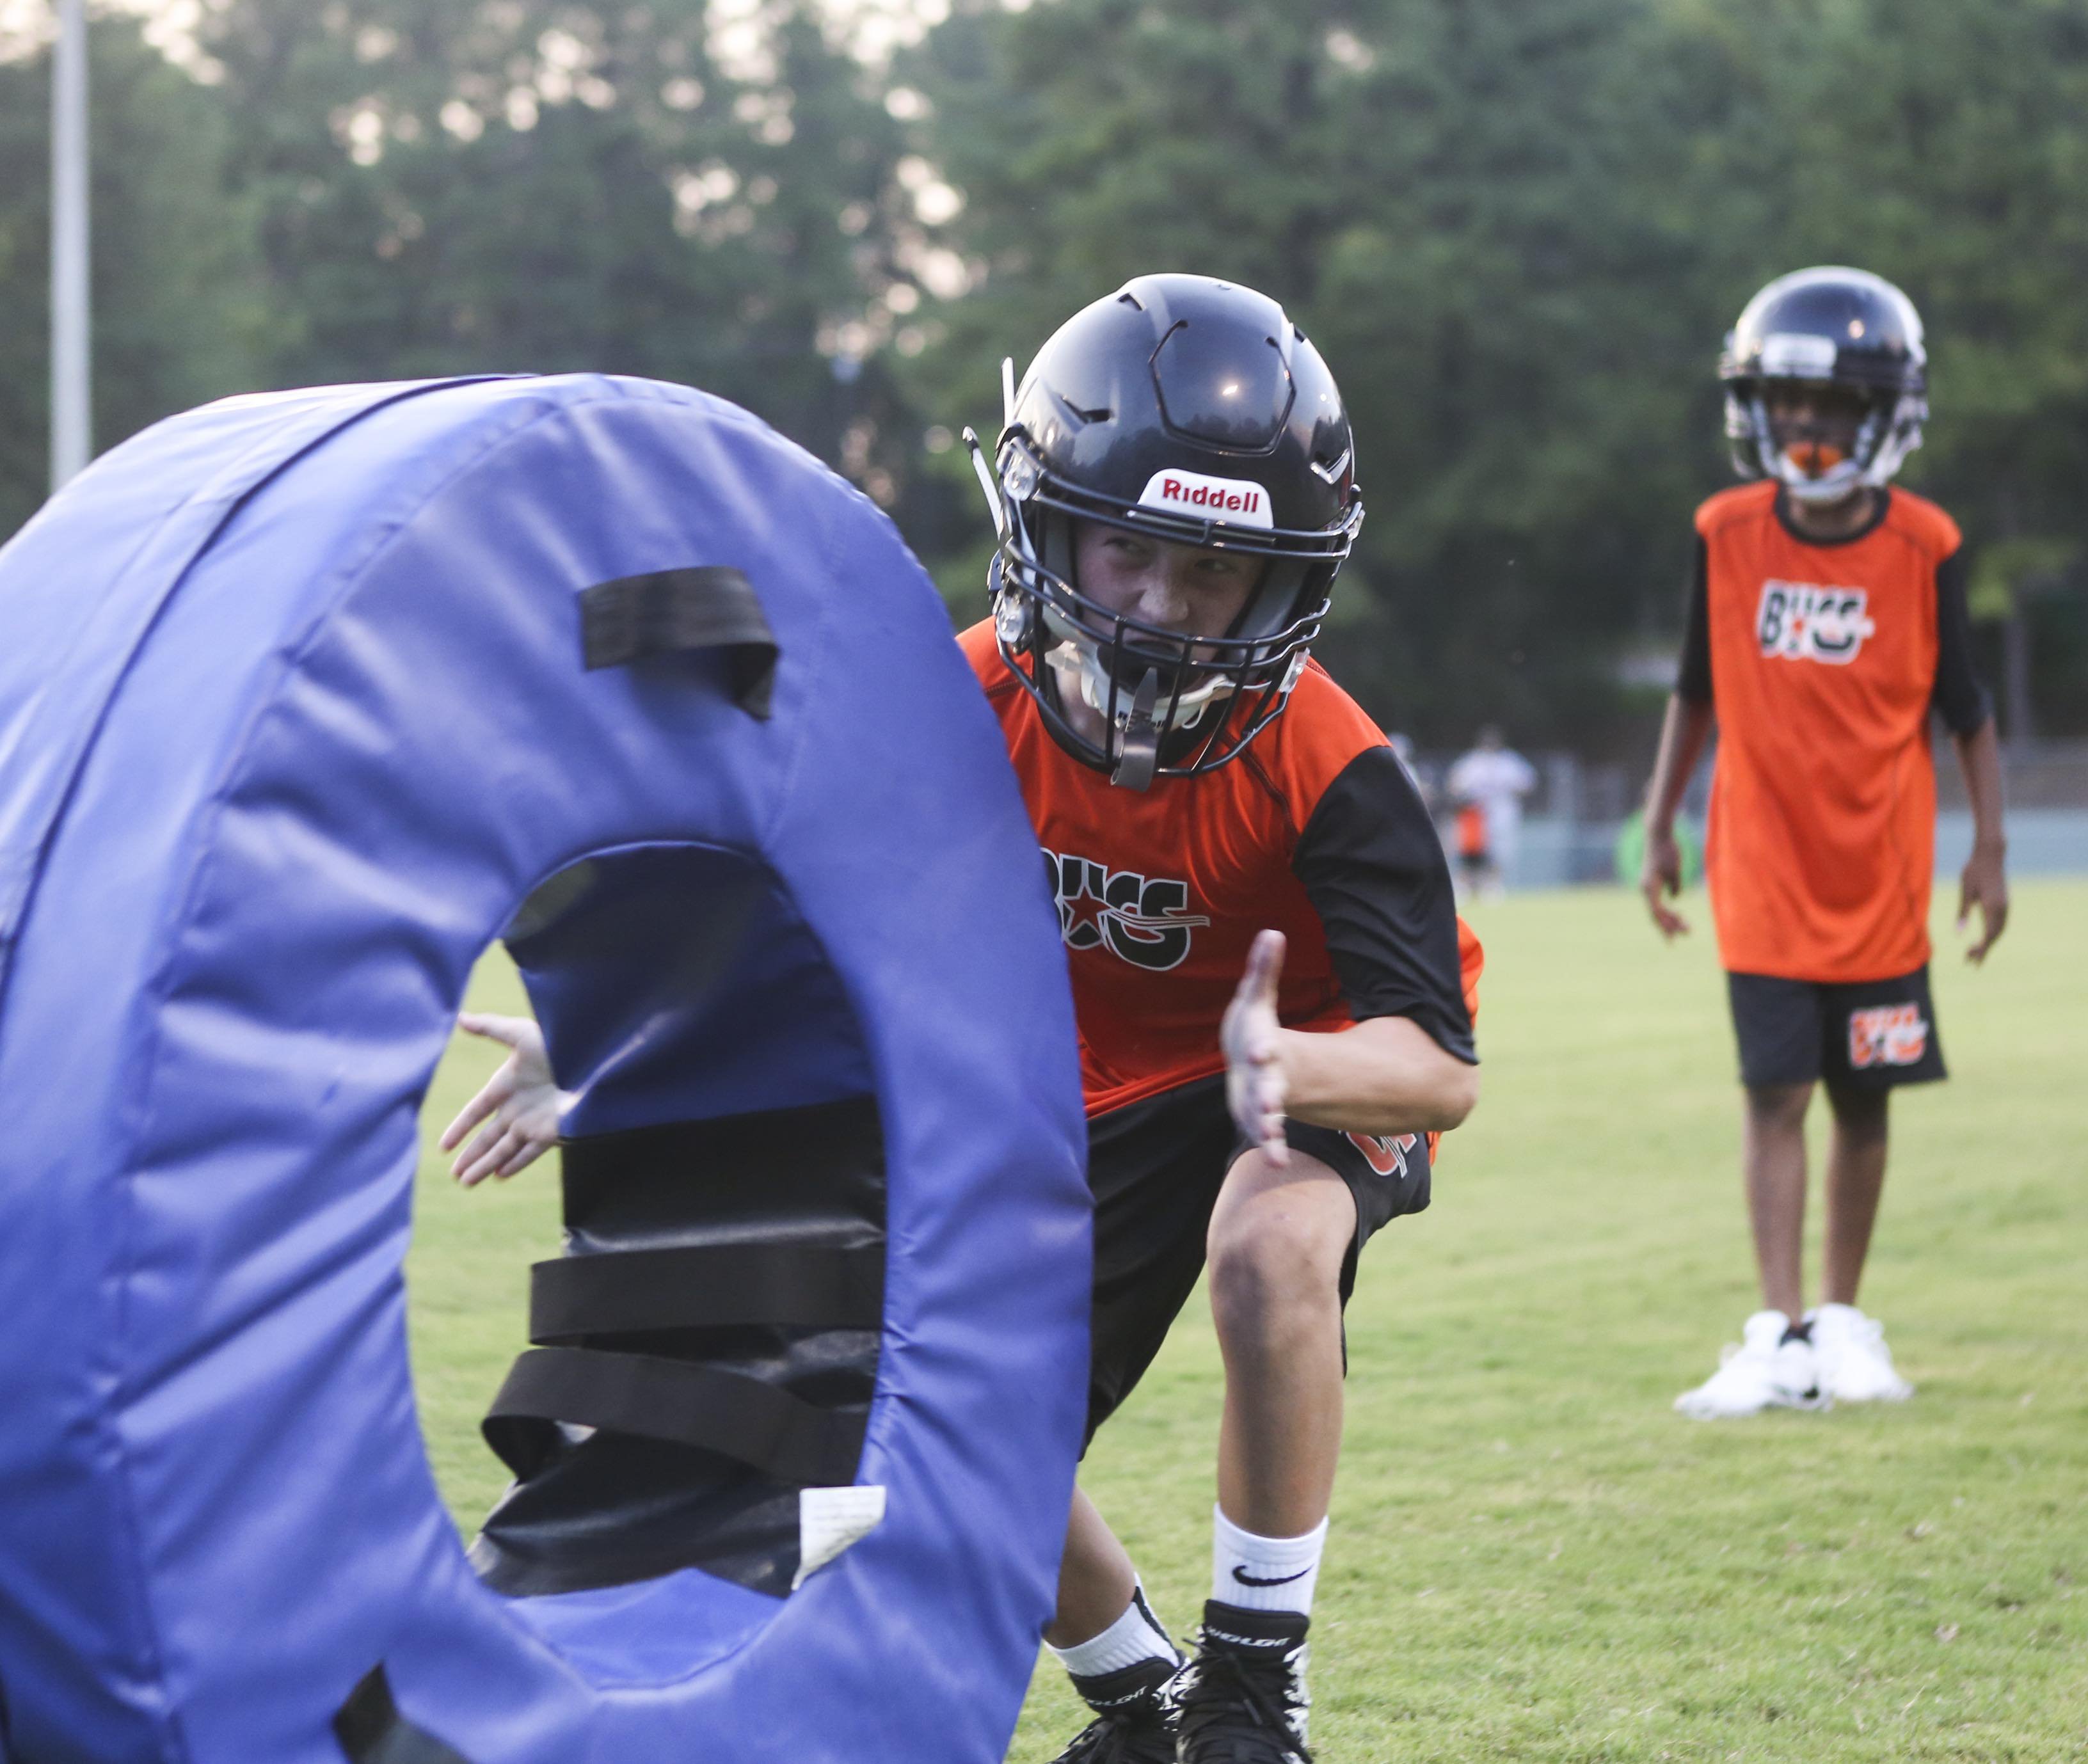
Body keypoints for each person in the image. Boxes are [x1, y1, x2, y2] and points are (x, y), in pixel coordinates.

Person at [446, 275, 1483, 1763]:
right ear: (1046, 526)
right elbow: (803, 910)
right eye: (1129, 550)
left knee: (1266, 1238)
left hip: (1299, 1058)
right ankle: (1142, 1702)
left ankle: (1258, 1689)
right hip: (1083, 1079)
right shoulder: (960, 693)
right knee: (934, 1395)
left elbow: (1435, 1067)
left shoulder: (1327, 759)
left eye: (1213, 576)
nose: (1163, 611)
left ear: (1287, 584)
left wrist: (1294, 1062)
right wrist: (610, 1036)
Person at [1634, 266, 2008, 1420]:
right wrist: (1658, 820)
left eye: (1832, 411)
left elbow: (1969, 711)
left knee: (1864, 1097)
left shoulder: (1924, 544)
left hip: (1880, 874)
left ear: (1885, 415)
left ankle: (1844, 1319)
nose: (1807, 431)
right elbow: (1694, 692)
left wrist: (1990, 847)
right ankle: (1779, 1329)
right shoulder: (1726, 533)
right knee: (1774, 1093)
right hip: (1762, 870)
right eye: (1790, 409)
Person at [1445, 728, 1536, 899]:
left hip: (1503, 812)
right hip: (1477, 814)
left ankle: (1492, 885)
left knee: (1500, 851)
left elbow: (1528, 784)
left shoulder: (1509, 761)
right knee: (1471, 850)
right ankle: (1467, 885)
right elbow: (1454, 785)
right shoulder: (1472, 762)